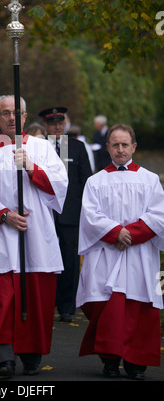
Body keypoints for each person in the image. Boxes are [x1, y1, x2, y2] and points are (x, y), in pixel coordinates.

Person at [0, 95, 68, 377]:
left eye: (16, 113)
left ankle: (31, 355)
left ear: (24, 116)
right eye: (5, 113)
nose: (11, 118)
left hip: (35, 234)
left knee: (34, 297)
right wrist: (4, 215)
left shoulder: (42, 148)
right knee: (3, 297)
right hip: (1, 234)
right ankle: (5, 357)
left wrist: (31, 166)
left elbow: (60, 184)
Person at [76, 123, 164, 380]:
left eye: (125, 144)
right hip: (108, 252)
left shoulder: (149, 180)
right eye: (115, 144)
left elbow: (158, 215)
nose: (120, 149)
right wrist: (116, 233)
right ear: (107, 147)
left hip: (139, 253)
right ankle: (110, 359)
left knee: (138, 307)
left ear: (134, 146)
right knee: (107, 309)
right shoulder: (95, 181)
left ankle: (136, 362)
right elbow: (90, 216)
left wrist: (131, 234)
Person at [39, 107, 92, 323]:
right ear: (45, 126)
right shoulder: (38, 148)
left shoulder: (77, 148)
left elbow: (86, 181)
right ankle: (46, 303)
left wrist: (85, 212)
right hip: (46, 213)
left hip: (71, 214)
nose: (57, 127)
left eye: (60, 123)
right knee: (45, 260)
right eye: (52, 123)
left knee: (70, 262)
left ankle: (67, 306)